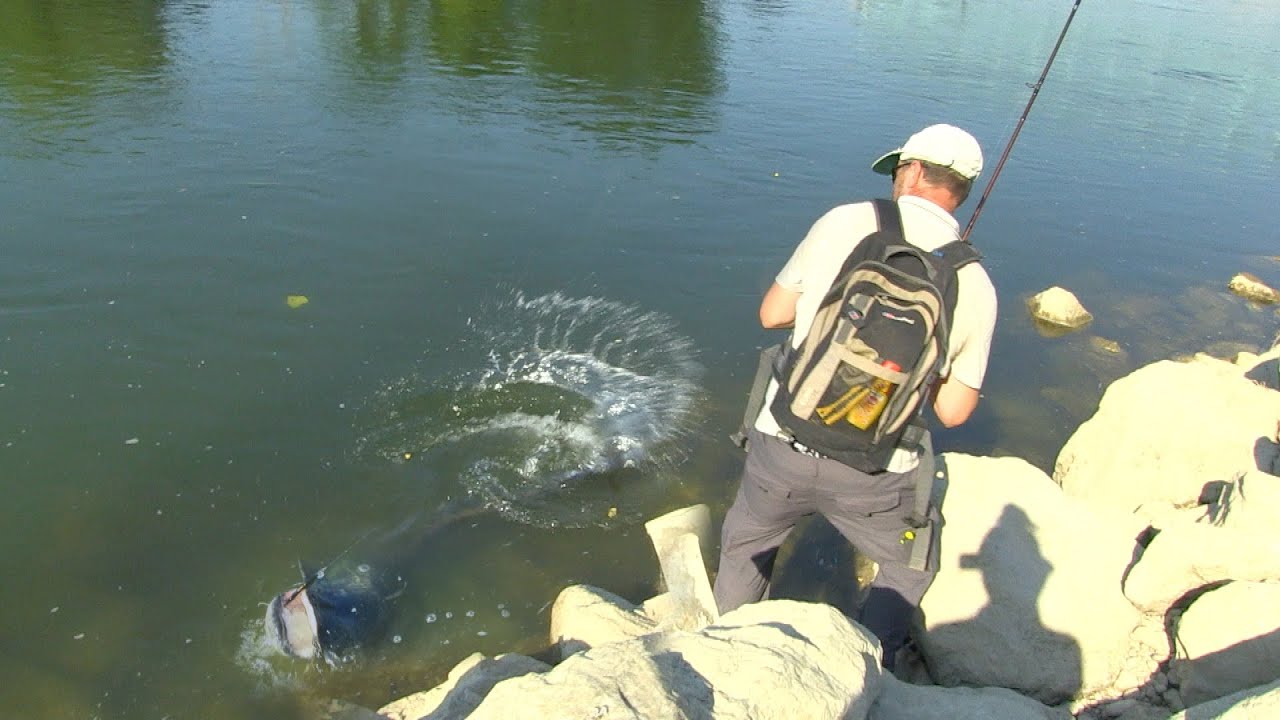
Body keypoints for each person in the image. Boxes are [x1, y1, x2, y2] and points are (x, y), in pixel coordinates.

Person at [713, 124, 998, 670]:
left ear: (912, 171)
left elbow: (772, 314)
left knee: (746, 541)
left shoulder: (844, 221)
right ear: (962, 191)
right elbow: (953, 412)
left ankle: (728, 654)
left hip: (782, 444)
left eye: (898, 170)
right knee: (912, 564)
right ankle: (867, 667)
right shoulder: (974, 281)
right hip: (875, 475)